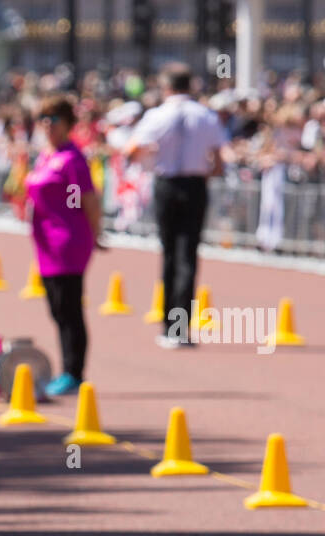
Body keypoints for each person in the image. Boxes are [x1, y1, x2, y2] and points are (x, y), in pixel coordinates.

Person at [124, 64, 229, 348]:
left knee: (169, 254)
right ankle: (180, 329)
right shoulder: (205, 116)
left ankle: (169, 325)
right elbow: (219, 162)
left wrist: (152, 158)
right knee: (188, 256)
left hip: (167, 184)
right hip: (194, 186)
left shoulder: (157, 115)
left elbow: (131, 150)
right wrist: (202, 172)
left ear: (167, 87)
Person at [25, 95, 104, 396]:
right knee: (56, 308)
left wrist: (94, 233)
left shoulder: (72, 160)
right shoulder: (46, 155)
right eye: (42, 120)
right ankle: (68, 368)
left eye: (53, 120)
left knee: (69, 308)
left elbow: (89, 200)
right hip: (45, 242)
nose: (47, 126)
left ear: (68, 124)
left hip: (68, 241)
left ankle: (74, 372)